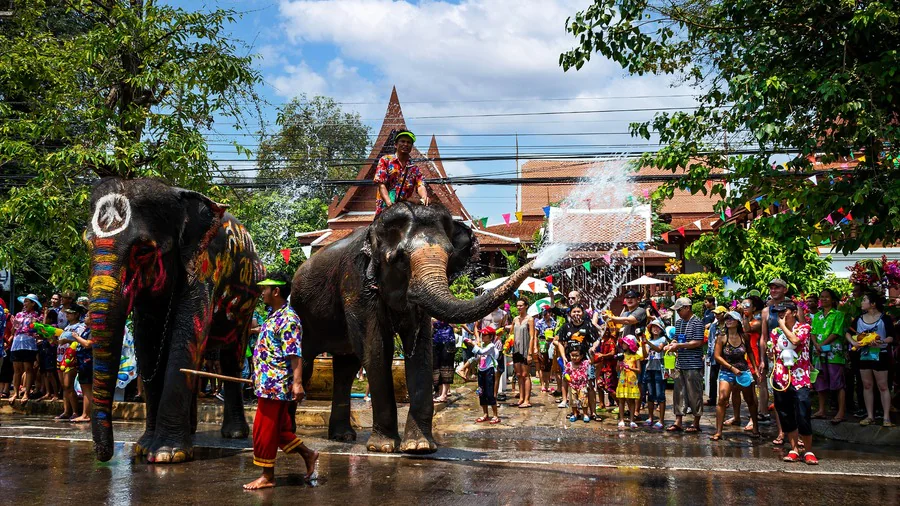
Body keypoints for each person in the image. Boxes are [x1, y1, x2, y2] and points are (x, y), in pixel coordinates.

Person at [244, 273, 319, 490]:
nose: (262, 292)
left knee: (263, 429)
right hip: (267, 384)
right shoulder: (273, 316)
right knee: (279, 430)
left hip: (276, 387)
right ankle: (308, 454)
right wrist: (257, 377)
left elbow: (294, 354)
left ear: (276, 291)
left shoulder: (288, 319)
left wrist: (297, 383)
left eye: (265, 289)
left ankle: (267, 477)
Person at [770, 301, 817, 464]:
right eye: (778, 312)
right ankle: (794, 449)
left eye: (784, 311)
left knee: (803, 413)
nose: (781, 314)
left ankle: (809, 451)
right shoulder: (775, 332)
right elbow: (775, 352)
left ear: (794, 312)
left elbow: (796, 341)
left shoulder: (804, 328)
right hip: (781, 378)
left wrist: (783, 327)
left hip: (800, 378)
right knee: (785, 413)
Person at [847, 291, 894, 427]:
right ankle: (870, 416)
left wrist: (882, 341)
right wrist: (854, 343)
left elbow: (891, 337)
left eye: (864, 300)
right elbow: (848, 333)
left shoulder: (885, 318)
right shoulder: (859, 319)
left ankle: (886, 417)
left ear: (873, 304)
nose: (862, 302)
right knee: (867, 385)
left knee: (883, 386)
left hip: (881, 354)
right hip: (864, 355)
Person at [711, 311, 761, 441]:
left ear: (738, 322)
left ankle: (755, 427)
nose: (728, 320)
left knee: (750, 400)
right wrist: (731, 368)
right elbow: (717, 356)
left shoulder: (744, 336)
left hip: (743, 371)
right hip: (727, 370)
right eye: (726, 318)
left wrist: (755, 368)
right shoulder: (721, 337)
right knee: (722, 398)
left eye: (731, 319)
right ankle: (718, 431)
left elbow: (749, 351)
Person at [665, 297, 705, 433]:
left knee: (695, 393)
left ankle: (696, 422)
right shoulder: (679, 322)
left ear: (687, 308)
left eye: (680, 310)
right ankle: (678, 421)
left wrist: (679, 345)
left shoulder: (697, 323)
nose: (679, 312)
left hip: (693, 363)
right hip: (680, 362)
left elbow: (698, 342)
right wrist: (672, 343)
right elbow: (676, 337)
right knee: (679, 393)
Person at [609, 290, 648, 416]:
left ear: (638, 299)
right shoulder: (625, 312)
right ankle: (629, 409)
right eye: (627, 297)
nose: (629, 299)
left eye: (632, 297)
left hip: (636, 350)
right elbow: (619, 327)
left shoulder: (640, 311)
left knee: (637, 382)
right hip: (624, 351)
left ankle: (636, 410)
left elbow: (629, 321)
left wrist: (613, 318)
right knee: (624, 380)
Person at [811, 288, 847, 424]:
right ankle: (821, 410)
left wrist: (822, 344)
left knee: (837, 382)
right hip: (818, 353)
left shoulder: (838, 314)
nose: (824, 299)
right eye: (822, 297)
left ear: (832, 299)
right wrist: (816, 345)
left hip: (834, 353)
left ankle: (841, 412)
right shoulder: (817, 316)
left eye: (826, 297)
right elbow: (813, 332)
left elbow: (836, 332)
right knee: (820, 381)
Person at [556, 305, 601, 416]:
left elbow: (597, 340)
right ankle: (575, 412)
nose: (576, 314)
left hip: (586, 361)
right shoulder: (566, 327)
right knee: (572, 386)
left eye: (579, 311)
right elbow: (560, 343)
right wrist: (563, 356)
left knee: (589, 386)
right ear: (570, 314)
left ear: (583, 313)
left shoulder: (588, 326)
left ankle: (593, 413)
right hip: (570, 362)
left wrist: (593, 347)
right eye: (574, 312)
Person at [374, 130, 429, 216]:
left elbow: (420, 185)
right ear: (396, 145)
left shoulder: (413, 168)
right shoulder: (385, 160)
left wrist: (424, 197)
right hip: (385, 210)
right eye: (402, 141)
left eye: (409, 142)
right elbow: (381, 184)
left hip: (403, 211)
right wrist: (389, 203)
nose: (406, 144)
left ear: (411, 147)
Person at [759, 278, 790, 428]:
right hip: (773, 358)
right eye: (771, 288)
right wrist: (762, 359)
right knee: (777, 395)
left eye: (777, 288)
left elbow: (802, 331)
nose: (773, 291)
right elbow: (763, 337)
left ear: (785, 289)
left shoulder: (795, 308)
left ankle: (796, 432)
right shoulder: (766, 311)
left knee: (793, 394)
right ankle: (781, 430)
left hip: (792, 357)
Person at [56, 305, 87, 421]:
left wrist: (67, 340)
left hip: (71, 359)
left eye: (71, 313)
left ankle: (74, 411)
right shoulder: (66, 327)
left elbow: (78, 341)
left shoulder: (80, 326)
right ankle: (66, 411)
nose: (67, 315)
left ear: (77, 314)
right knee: (64, 386)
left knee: (69, 385)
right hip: (60, 357)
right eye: (67, 313)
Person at [740, 295, 767, 430]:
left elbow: (746, 330)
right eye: (742, 305)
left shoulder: (757, 322)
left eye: (747, 306)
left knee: (755, 388)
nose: (744, 308)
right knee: (746, 389)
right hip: (743, 356)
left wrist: (743, 316)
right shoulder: (743, 320)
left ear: (754, 308)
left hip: (754, 356)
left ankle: (755, 416)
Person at [9, 294, 42, 401]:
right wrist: (14, 324)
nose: (25, 303)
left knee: (28, 369)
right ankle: (15, 393)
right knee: (17, 370)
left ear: (33, 304)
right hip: (17, 343)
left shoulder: (36, 316)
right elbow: (13, 331)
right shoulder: (18, 314)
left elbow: (36, 331)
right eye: (25, 301)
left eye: (28, 301)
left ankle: (26, 393)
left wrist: (35, 323)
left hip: (29, 344)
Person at [467, 326, 500, 424]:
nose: (483, 336)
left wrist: (473, 344)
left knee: (490, 394)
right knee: (481, 393)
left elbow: (481, 352)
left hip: (489, 371)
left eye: (485, 335)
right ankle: (485, 414)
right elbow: (478, 356)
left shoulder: (491, 346)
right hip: (481, 371)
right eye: (482, 334)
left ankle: (495, 415)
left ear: (490, 337)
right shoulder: (482, 345)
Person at [642, 319, 668, 429]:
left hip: (659, 369)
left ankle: (661, 420)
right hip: (649, 368)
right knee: (651, 394)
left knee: (660, 395)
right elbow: (644, 355)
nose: (655, 329)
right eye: (653, 327)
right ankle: (651, 417)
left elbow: (658, 349)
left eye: (657, 327)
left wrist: (647, 343)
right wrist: (643, 344)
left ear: (661, 329)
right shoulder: (649, 340)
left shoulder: (663, 339)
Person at [510, 299, 536, 408]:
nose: (519, 307)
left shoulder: (530, 319)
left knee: (525, 375)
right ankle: (521, 398)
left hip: (525, 349)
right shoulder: (515, 319)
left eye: (521, 305)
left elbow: (532, 336)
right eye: (517, 305)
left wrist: (530, 352)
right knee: (519, 374)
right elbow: (511, 333)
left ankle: (527, 399)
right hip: (516, 349)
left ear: (526, 306)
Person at [70, 312, 94, 423]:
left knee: (87, 389)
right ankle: (85, 413)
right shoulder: (86, 329)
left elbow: (88, 344)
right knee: (85, 389)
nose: (85, 317)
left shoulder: (92, 331)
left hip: (87, 362)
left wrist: (76, 337)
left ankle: (86, 415)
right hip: (82, 361)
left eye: (87, 316)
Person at [616, 334, 642, 429]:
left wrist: (630, 368)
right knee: (621, 400)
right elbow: (617, 370)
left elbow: (639, 370)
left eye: (625, 343)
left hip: (631, 380)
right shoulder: (621, 355)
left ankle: (632, 420)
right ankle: (621, 419)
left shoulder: (636, 356)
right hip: (623, 380)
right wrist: (620, 364)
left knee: (631, 401)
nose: (623, 345)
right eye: (622, 343)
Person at [564, 343, 592, 423]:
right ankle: (575, 413)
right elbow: (566, 372)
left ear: (582, 356)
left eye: (576, 356)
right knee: (573, 401)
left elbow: (592, 361)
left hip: (582, 385)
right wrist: (566, 376)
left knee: (584, 400)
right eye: (572, 355)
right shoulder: (569, 364)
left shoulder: (584, 363)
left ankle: (585, 414)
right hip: (572, 385)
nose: (574, 358)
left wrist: (592, 354)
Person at [432, 319, 456, 403]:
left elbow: (455, 324)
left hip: (448, 339)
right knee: (436, 366)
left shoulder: (448, 310)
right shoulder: (432, 310)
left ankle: (444, 394)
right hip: (435, 340)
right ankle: (439, 392)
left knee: (446, 367)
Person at [533, 309, 556, 392]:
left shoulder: (554, 322)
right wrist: (535, 346)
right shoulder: (539, 322)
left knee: (549, 364)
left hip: (551, 343)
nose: (546, 315)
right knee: (542, 364)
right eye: (544, 313)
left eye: (547, 313)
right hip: (542, 342)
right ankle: (542, 384)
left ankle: (547, 384)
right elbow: (535, 335)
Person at [596, 327, 618, 411]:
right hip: (602, 367)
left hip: (609, 368)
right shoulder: (602, 341)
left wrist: (603, 355)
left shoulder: (611, 341)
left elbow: (613, 353)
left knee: (609, 387)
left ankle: (620, 404)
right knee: (599, 384)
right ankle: (602, 404)